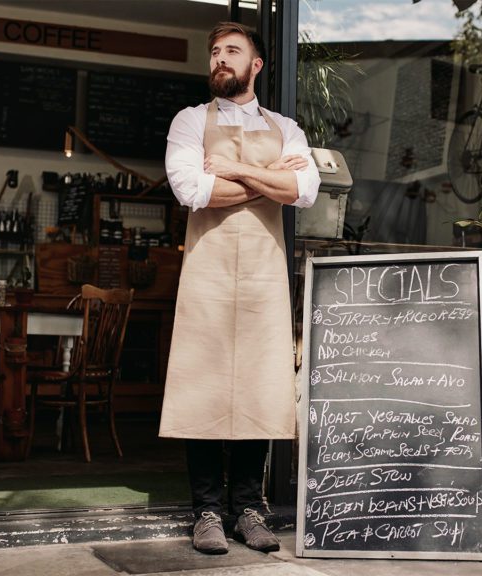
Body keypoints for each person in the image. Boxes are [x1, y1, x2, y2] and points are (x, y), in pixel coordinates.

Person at [158, 22, 320, 555]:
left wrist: (230, 169)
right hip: (206, 272)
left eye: (232, 51)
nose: (219, 60)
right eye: (214, 53)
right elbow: (192, 190)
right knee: (202, 386)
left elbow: (305, 192)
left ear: (256, 65)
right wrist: (267, 175)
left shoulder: (288, 127)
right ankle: (206, 509)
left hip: (263, 272)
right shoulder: (187, 122)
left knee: (259, 385)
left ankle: (249, 508)